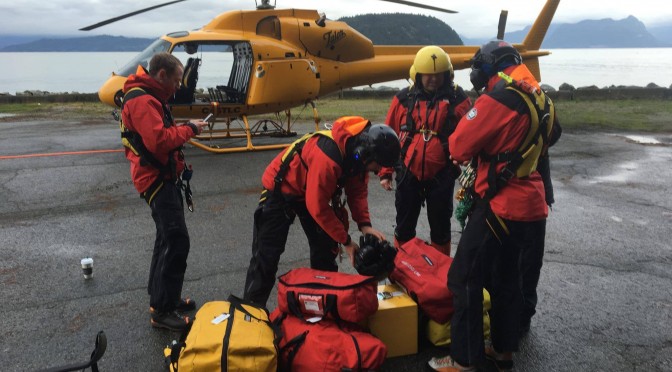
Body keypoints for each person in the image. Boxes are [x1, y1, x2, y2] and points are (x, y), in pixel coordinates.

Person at [427, 40, 561, 371]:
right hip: (531, 204)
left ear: (487, 68)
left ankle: (462, 359)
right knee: (507, 278)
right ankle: (503, 351)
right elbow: (553, 134)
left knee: (463, 277)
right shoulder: (539, 97)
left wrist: (490, 144)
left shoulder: (499, 98)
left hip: (501, 204)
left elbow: (458, 146)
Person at [243, 116, 401, 307]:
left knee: (325, 253)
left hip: (311, 192)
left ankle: (324, 307)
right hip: (282, 190)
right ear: (366, 154)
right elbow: (317, 206)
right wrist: (346, 241)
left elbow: (357, 192)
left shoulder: (357, 156)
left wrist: (365, 225)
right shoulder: (328, 155)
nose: (379, 170)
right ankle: (251, 312)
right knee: (266, 257)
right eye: (378, 165)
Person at [120, 52, 209, 331]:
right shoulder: (144, 101)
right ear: (161, 76)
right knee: (177, 240)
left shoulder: (148, 97)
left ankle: (161, 297)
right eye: (176, 80)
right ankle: (162, 311)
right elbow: (159, 141)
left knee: (165, 239)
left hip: (160, 177)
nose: (178, 86)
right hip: (156, 179)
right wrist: (190, 129)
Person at [379, 45, 471, 256]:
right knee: (403, 226)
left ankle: (440, 273)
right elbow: (389, 136)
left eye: (438, 74)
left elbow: (470, 134)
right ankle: (402, 269)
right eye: (428, 75)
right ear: (418, 75)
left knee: (440, 229)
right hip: (407, 172)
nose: (433, 79)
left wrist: (467, 162)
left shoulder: (459, 99)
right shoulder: (403, 99)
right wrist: (385, 172)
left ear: (447, 75)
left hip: (443, 173)